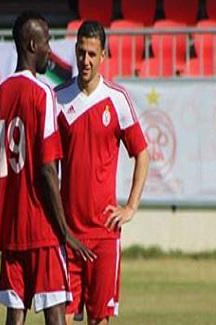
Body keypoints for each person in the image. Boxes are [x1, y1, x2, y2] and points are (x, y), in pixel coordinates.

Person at [0, 11, 95, 325]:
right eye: (46, 41)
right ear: (33, 44)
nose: (50, 49)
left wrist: (4, 219)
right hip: (42, 230)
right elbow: (47, 169)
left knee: (14, 316)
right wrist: (64, 231)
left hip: (11, 230)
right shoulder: (43, 94)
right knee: (55, 312)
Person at [55, 21, 149, 325]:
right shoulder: (57, 98)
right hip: (67, 233)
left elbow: (142, 154)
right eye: (81, 53)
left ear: (103, 56)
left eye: (92, 54)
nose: (85, 60)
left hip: (104, 234)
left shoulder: (117, 99)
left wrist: (131, 206)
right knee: (61, 317)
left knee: (99, 320)